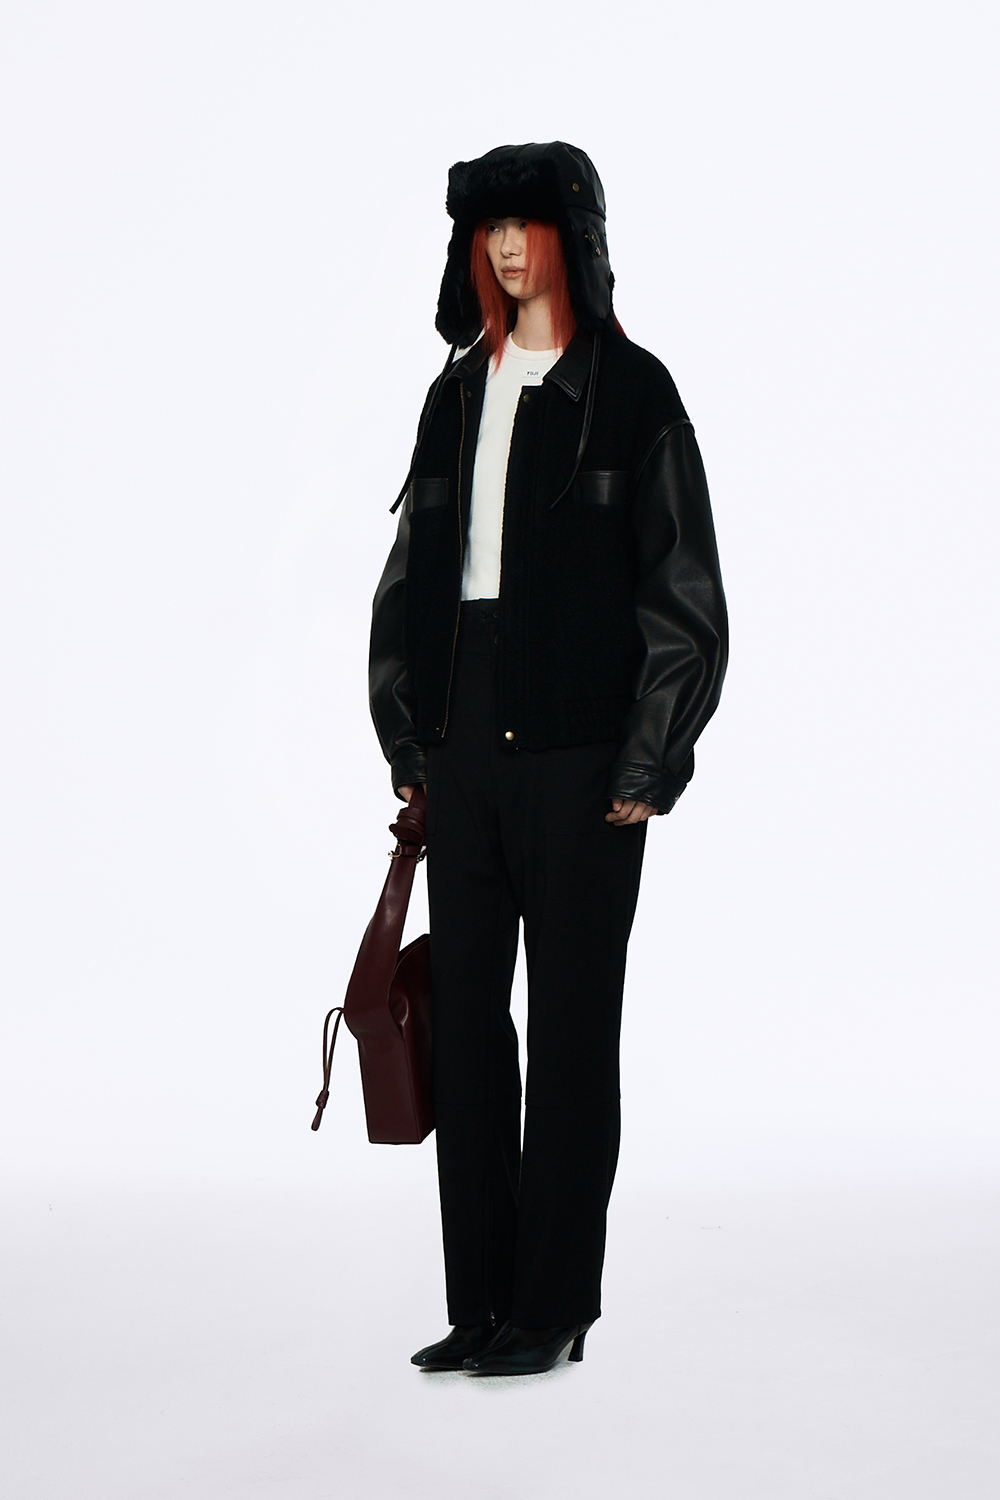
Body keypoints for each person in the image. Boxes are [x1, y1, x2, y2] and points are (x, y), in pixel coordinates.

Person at [368, 141, 727, 1376]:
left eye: (528, 223)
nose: (510, 246)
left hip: (582, 757)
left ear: (575, 235)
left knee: (572, 1037)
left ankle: (554, 1304)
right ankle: (481, 1304)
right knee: (468, 1032)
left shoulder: (633, 392)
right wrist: (408, 734)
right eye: (490, 228)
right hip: (462, 745)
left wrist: (646, 759)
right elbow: (409, 581)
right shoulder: (453, 396)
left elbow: (683, 592)